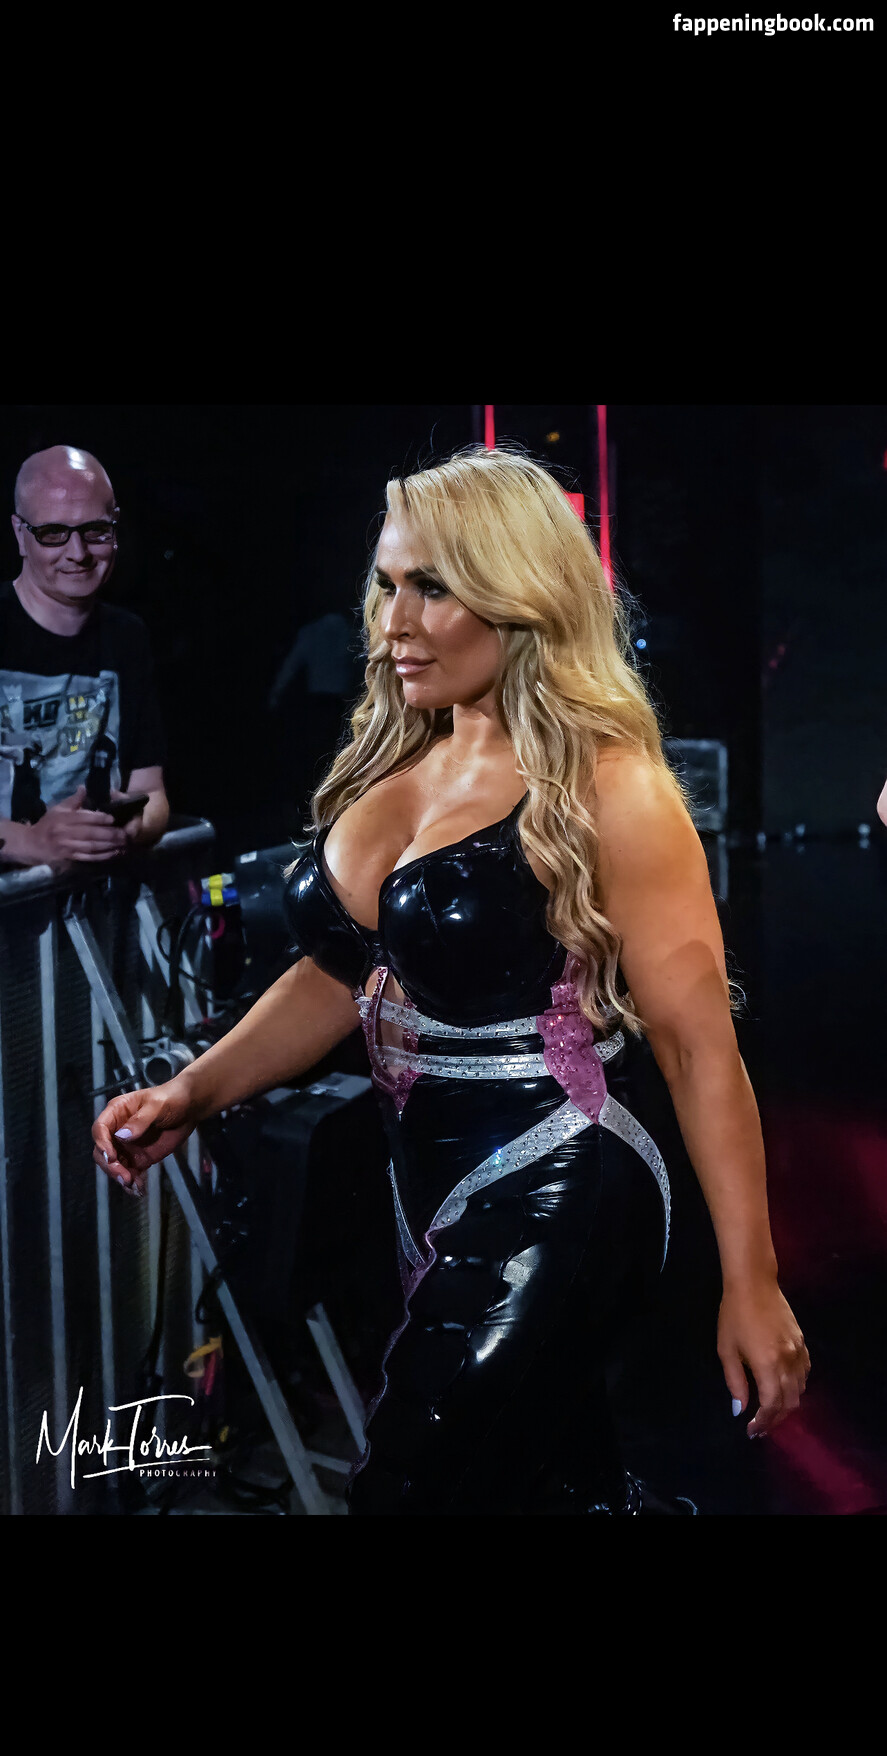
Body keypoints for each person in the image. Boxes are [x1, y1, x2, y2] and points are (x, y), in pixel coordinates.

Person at [91, 446, 810, 1516]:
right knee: (543, 1489)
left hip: (563, 1176)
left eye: (432, 587)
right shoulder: (398, 763)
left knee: (412, 1484)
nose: (394, 621)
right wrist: (193, 1091)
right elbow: (340, 975)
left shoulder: (610, 784)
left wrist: (751, 1282)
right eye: (386, 584)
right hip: (424, 1186)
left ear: (518, 594)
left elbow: (698, 1046)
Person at [0, 444, 169, 869]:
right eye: (53, 532)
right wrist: (30, 842)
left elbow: (152, 793)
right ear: (20, 534)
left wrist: (123, 830)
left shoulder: (127, 637)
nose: (78, 552)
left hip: (99, 903)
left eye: (95, 530)